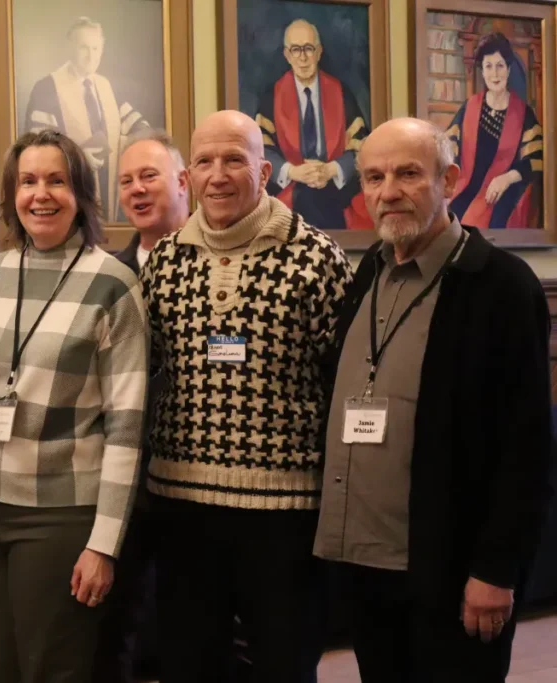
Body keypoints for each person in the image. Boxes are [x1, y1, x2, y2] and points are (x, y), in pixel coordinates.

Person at [314, 117, 553, 682]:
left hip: (449, 571)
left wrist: (496, 571)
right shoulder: (367, 274)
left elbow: (527, 451)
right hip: (366, 564)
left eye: (408, 174)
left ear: (449, 179)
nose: (388, 191)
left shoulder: (500, 286)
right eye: (373, 177)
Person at [141, 109, 352, 682]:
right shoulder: (163, 263)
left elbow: (345, 387)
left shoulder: (317, 258)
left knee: (285, 665)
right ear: (187, 177)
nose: (218, 175)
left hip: (285, 514)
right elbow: (148, 375)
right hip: (183, 508)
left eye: (234, 159)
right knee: (189, 664)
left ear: (264, 170)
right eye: (204, 161)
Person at [0, 129, 149, 682]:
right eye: (28, 181)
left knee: (52, 670)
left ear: (80, 192)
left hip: (61, 517)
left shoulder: (113, 284)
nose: (41, 194)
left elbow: (127, 428)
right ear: (12, 196)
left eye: (56, 180)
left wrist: (105, 543)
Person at [94, 129, 188, 683]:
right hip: (122, 472)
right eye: (126, 180)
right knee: (114, 625)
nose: (136, 189)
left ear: (183, 182)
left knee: (193, 626)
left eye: (149, 175)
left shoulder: (217, 265)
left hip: (196, 476)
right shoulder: (106, 274)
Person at [25, 16, 152, 223]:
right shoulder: (47, 88)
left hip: (109, 194)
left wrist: (126, 148)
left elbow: (140, 128)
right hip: (67, 196)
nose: (90, 56)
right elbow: (37, 150)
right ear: (70, 48)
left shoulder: (107, 87)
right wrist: (77, 158)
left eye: (95, 49)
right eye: (83, 48)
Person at [256, 18, 372, 230]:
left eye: (308, 48)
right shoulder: (271, 97)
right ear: (286, 55)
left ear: (319, 52)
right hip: (288, 193)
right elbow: (262, 150)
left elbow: (361, 146)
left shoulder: (342, 94)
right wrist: (292, 171)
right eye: (296, 49)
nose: (302, 57)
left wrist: (332, 169)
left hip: (336, 193)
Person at [445, 32, 544, 229]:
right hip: (466, 188)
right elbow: (447, 149)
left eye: (500, 66)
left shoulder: (524, 114)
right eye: (488, 66)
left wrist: (506, 178)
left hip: (503, 192)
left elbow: (536, 160)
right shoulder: (469, 107)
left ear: (508, 69)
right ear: (482, 71)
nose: (495, 74)